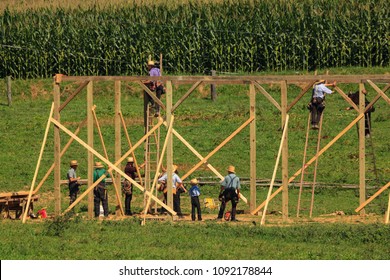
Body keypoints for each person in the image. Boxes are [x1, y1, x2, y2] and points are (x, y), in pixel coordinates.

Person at [143, 60, 164, 124]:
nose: (147, 67)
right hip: (160, 85)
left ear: (150, 66)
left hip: (156, 85)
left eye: (148, 66)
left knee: (148, 93)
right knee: (158, 98)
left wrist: (143, 82)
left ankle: (153, 104)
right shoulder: (158, 70)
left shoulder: (151, 71)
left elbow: (151, 80)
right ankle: (157, 111)